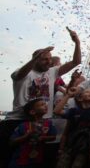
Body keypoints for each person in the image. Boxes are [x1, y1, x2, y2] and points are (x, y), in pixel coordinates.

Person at [0, 27, 81, 167]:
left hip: (43, 121)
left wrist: (77, 42)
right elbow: (20, 75)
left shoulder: (52, 72)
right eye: (44, 59)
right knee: (8, 157)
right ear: (35, 60)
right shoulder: (22, 73)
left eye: (50, 59)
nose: (49, 62)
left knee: (38, 159)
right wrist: (37, 57)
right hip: (18, 120)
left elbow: (76, 62)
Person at [54, 87, 90, 168]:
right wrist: (68, 95)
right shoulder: (73, 111)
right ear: (80, 98)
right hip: (70, 145)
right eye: (87, 92)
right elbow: (57, 111)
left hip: (85, 148)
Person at [9, 98, 57, 168]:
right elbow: (11, 142)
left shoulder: (49, 123)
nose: (46, 105)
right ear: (32, 112)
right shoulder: (23, 125)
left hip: (38, 161)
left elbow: (53, 137)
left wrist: (43, 138)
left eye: (45, 104)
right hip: (19, 161)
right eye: (42, 104)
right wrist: (26, 136)